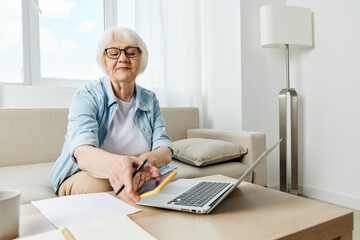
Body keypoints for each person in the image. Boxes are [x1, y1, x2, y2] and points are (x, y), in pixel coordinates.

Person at [50, 27, 173, 203]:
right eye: (114, 53)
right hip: (85, 175)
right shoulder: (87, 95)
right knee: (106, 185)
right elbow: (82, 153)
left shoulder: (149, 98)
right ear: (104, 60)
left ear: (141, 59)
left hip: (137, 174)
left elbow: (165, 149)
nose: (123, 58)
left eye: (131, 52)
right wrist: (121, 166)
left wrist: (140, 164)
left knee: (166, 179)